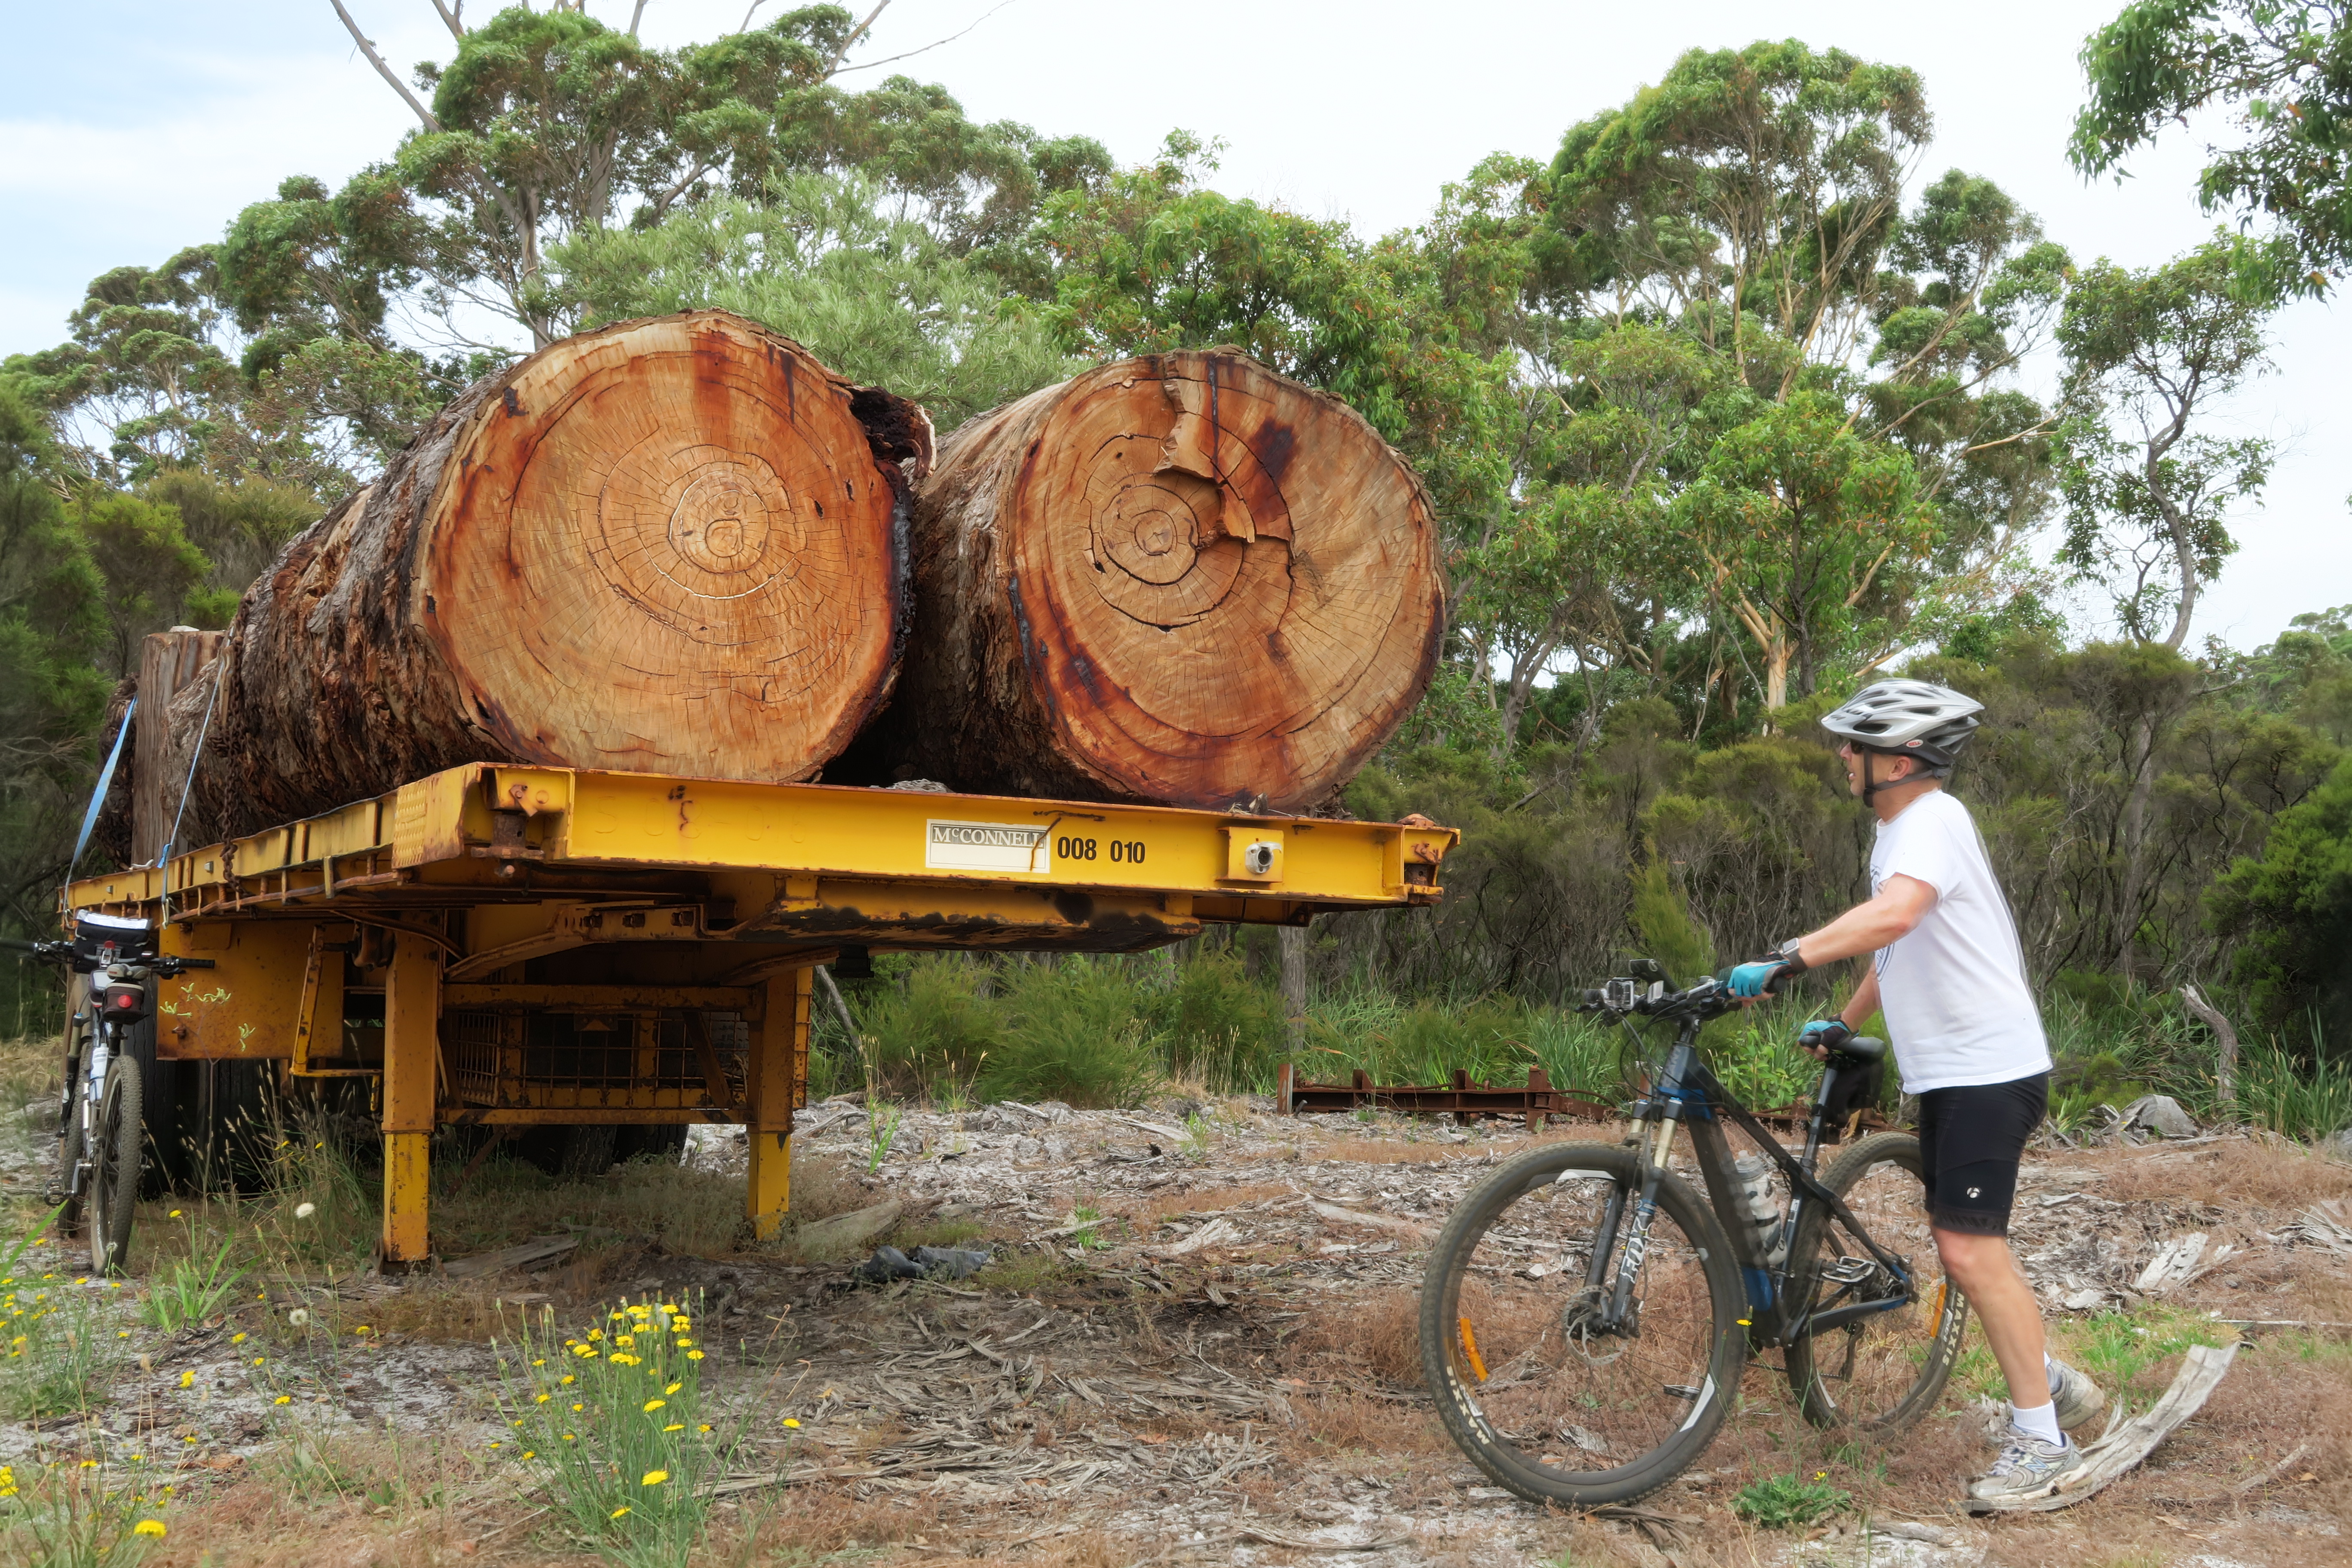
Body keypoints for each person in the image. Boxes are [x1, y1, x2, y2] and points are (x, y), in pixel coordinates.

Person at [1721, 679, 2105, 1505]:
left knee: (1971, 1250)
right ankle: (2050, 1381)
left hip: (1989, 1070)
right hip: (1956, 1071)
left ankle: (2042, 1442)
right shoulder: (1903, 831)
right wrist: (1844, 1018)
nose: (1842, 759)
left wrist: (1787, 958)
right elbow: (1899, 949)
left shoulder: (1931, 821)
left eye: (1854, 748)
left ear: (1897, 760)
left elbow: (1894, 919)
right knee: (1960, 1243)